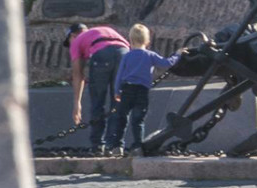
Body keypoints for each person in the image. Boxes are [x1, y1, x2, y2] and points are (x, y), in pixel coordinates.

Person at [104, 24, 180, 153]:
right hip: (142, 90)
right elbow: (166, 63)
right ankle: (138, 145)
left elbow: (120, 75)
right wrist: (178, 55)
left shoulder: (127, 56)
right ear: (147, 41)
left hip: (127, 89)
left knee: (122, 118)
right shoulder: (150, 55)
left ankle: (118, 145)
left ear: (131, 40)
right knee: (138, 120)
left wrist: (117, 91)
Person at [66, 23, 130, 153]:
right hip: (125, 54)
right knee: (118, 102)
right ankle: (116, 145)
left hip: (102, 56)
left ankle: (98, 145)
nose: (70, 45)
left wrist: (77, 104)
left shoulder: (77, 40)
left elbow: (78, 74)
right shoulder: (105, 30)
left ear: (73, 35)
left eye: (68, 42)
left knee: (98, 101)